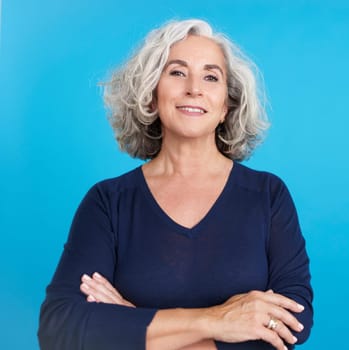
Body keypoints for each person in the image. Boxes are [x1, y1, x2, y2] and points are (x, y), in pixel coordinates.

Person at [38, 19, 313, 350]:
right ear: (151, 96)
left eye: (211, 77)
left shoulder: (268, 197)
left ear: (226, 105)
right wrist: (217, 320)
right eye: (177, 72)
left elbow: (290, 327)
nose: (194, 88)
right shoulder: (108, 202)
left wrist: (135, 323)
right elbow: (58, 329)